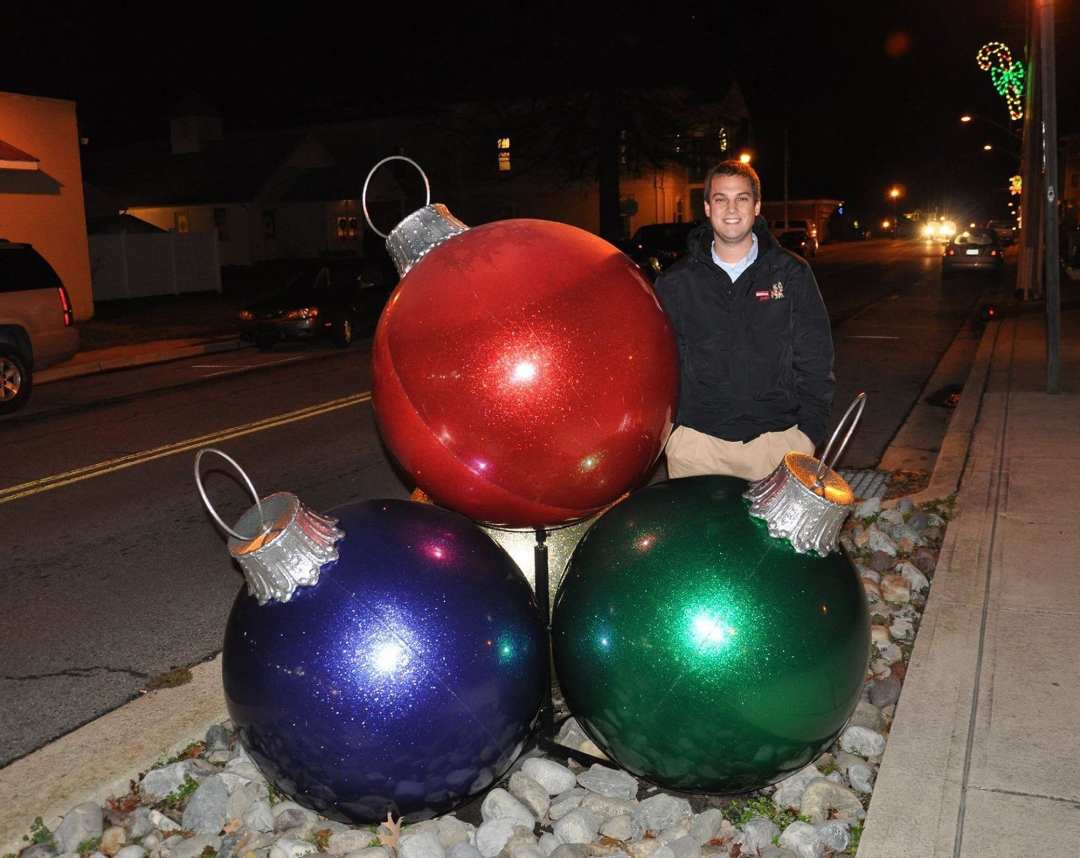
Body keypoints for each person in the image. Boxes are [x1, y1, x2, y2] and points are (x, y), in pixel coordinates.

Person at [654, 160, 834, 481]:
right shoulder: (675, 282)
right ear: (708, 207)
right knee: (699, 534)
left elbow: (816, 358)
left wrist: (808, 434)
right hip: (697, 447)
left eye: (742, 198)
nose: (731, 208)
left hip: (776, 446)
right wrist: (671, 434)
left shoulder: (791, 273)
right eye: (721, 199)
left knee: (771, 534)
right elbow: (657, 366)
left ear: (757, 206)